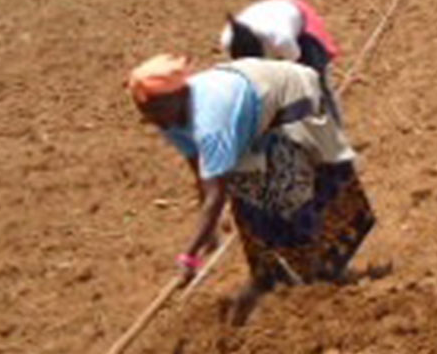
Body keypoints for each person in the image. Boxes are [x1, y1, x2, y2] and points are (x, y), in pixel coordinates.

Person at [129, 53, 376, 319]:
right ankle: (274, 275)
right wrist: (208, 232)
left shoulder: (211, 120)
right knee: (251, 195)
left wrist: (190, 255)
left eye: (154, 111)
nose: (151, 121)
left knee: (294, 190)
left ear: (175, 97)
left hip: (289, 94)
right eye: (146, 114)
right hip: (251, 112)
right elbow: (200, 171)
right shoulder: (169, 120)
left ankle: (324, 271)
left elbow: (217, 194)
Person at [221, 0, 342, 119]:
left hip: (299, 25)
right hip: (268, 14)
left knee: (317, 81)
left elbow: (298, 70)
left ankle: (334, 127)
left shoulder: (281, 39)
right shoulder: (228, 40)